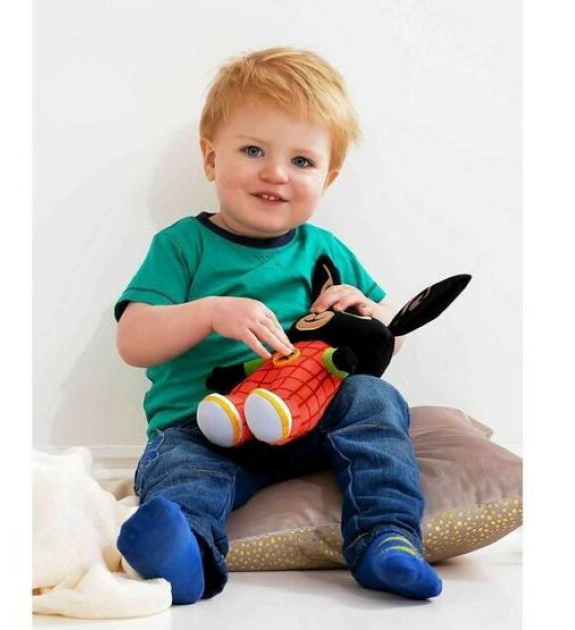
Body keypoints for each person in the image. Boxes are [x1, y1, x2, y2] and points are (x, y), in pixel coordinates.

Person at [113, 47, 442, 603]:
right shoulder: (182, 246)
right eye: (253, 150)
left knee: (373, 398)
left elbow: (396, 337)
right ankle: (187, 554)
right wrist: (209, 311)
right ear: (210, 157)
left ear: (327, 179)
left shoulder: (325, 250)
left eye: (302, 161)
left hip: (308, 422)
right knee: (184, 473)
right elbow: (133, 340)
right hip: (207, 429)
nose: (275, 173)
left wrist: (369, 312)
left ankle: (387, 536)